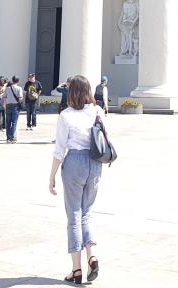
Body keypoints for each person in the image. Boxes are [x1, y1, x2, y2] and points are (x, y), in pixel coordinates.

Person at [49, 75, 105, 284]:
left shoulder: (66, 115)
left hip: (74, 162)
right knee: (87, 212)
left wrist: (52, 176)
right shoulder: (97, 111)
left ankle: (76, 269)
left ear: (71, 92)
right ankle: (92, 255)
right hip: (95, 162)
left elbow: (59, 149)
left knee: (74, 214)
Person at [4, 77, 24, 144]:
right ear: (18, 81)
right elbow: (20, 98)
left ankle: (8, 138)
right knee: (14, 122)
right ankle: (12, 137)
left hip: (8, 105)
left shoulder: (7, 88)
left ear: (12, 80)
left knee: (8, 123)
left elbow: (4, 97)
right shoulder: (19, 88)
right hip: (15, 106)